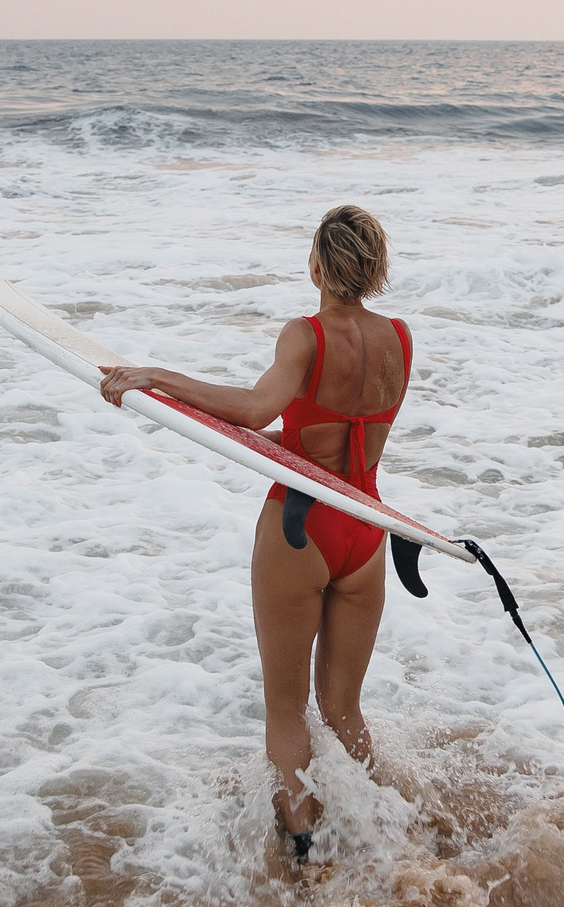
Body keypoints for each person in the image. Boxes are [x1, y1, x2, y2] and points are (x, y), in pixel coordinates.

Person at [98, 205, 410, 861]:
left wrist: (156, 376)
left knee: (287, 708)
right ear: (374, 265)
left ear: (317, 266)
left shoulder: (306, 334)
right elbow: (344, 434)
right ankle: (390, 833)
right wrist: (280, 441)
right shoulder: (398, 339)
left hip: (301, 527)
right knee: (344, 708)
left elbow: (253, 407)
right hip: (366, 524)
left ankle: (304, 851)